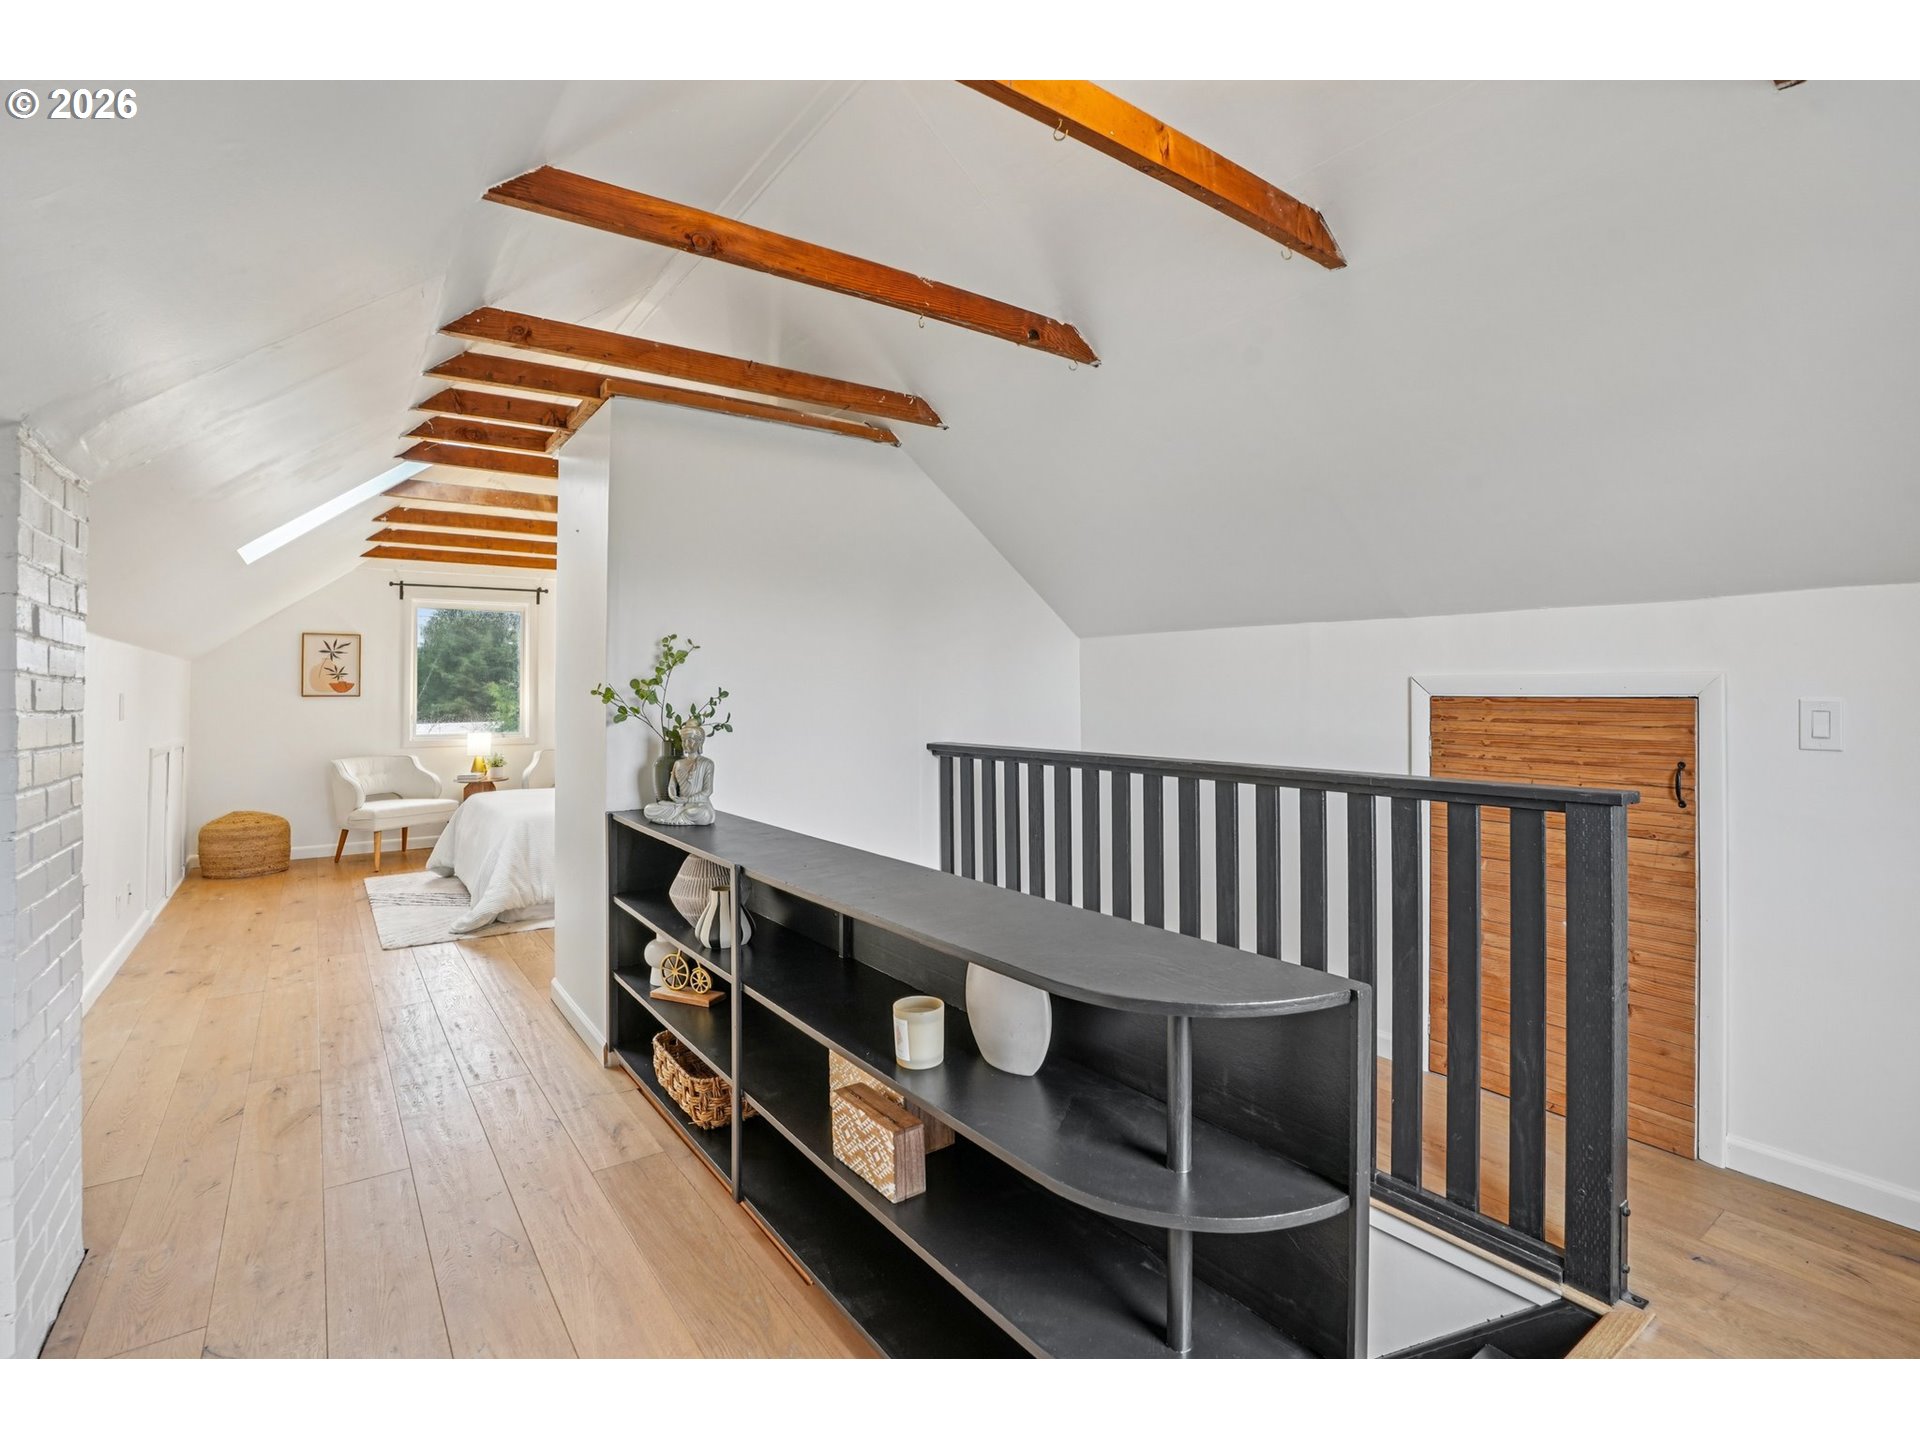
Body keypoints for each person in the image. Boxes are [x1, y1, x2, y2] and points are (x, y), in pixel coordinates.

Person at [643, 722, 716, 825]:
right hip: (680, 805)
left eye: (690, 740)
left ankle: (675, 818)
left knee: (702, 813)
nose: (686, 744)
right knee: (648, 809)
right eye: (684, 740)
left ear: (700, 742)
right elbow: (672, 785)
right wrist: (674, 797)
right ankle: (680, 818)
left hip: (698, 805)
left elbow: (707, 791)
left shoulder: (707, 763)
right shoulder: (678, 763)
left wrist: (688, 799)